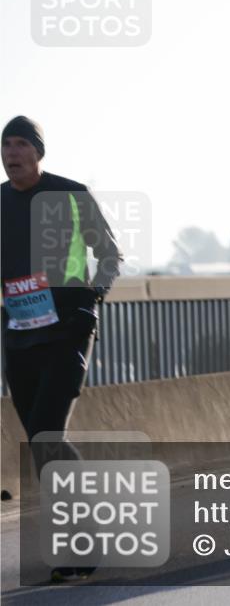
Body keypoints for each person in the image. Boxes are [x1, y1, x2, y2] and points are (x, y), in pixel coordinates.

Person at [1, 115, 124, 582]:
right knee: (40, 442)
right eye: (5, 145)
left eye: (20, 144)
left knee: (47, 433)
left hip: (68, 331)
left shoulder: (71, 194)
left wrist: (93, 296)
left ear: (38, 152)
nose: (11, 153)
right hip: (20, 336)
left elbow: (109, 254)